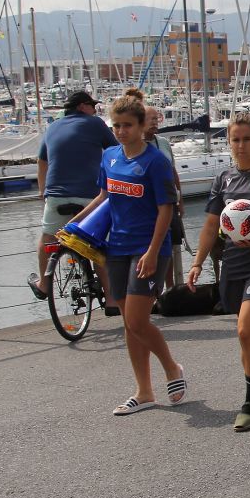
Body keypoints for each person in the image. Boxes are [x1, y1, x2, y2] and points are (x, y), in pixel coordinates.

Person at [70, 88, 185, 415]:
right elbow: (104, 196)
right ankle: (144, 391)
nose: (121, 131)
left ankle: (172, 368)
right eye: (116, 125)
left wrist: (152, 252)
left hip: (148, 248)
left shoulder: (155, 162)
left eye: (127, 125)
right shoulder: (110, 157)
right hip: (115, 248)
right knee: (129, 322)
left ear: (140, 127)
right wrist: (76, 223)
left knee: (137, 318)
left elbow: (166, 209)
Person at [187, 112, 250, 432]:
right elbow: (210, 225)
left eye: (248, 139)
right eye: (235, 139)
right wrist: (196, 263)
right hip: (232, 266)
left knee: (246, 330)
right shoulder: (224, 179)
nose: (241, 145)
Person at [30, 90, 117, 309]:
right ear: (82, 107)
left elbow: (42, 161)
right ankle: (112, 300)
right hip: (91, 197)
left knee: (48, 237)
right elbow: (116, 152)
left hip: (56, 196)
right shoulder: (94, 124)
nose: (95, 110)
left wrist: (43, 192)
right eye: (93, 106)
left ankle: (43, 284)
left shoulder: (52, 127)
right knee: (98, 244)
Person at [144, 108, 185, 291]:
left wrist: (180, 200)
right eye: (150, 119)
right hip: (149, 207)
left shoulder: (163, 143)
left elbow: (173, 171)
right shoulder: (136, 145)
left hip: (168, 204)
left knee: (169, 245)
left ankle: (170, 289)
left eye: (156, 119)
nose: (154, 122)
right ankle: (153, 290)